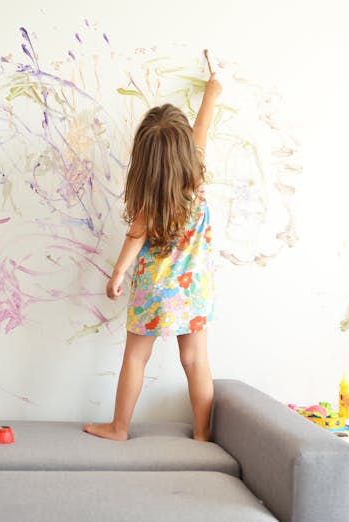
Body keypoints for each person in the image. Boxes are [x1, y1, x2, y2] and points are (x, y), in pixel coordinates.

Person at [84, 72, 222, 441]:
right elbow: (203, 125)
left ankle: (119, 427)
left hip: (153, 290)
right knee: (195, 362)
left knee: (135, 358)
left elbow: (134, 237)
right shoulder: (197, 185)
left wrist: (117, 275)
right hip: (193, 291)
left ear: (144, 160)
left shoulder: (150, 202)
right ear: (185, 151)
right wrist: (212, 91)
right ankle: (203, 434)